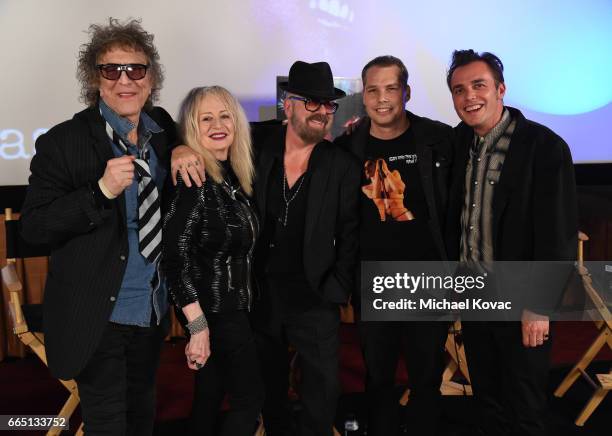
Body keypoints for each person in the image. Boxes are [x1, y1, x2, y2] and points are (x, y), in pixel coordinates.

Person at [20, 18, 177, 434]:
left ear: (151, 77)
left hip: (150, 310)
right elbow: (33, 228)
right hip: (96, 316)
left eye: (136, 69)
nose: (125, 80)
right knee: (108, 424)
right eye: (112, 70)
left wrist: (181, 150)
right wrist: (100, 192)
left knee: (142, 416)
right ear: (96, 78)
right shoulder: (62, 142)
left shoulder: (162, 132)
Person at [446, 49, 578, 436]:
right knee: (488, 401)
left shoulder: (544, 148)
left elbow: (558, 235)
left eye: (478, 85)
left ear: (500, 89)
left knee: (525, 405)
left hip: (522, 303)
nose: (469, 96)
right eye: (458, 89)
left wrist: (539, 305)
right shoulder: (457, 145)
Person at [334, 55, 454, 436]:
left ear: (406, 92)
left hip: (429, 280)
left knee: (426, 380)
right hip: (374, 282)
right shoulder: (347, 147)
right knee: (379, 380)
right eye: (373, 89)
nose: (382, 98)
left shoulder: (440, 139)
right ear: (364, 96)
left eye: (390, 88)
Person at [252, 61, 360, 436]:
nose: (321, 112)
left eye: (328, 105)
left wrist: (336, 287)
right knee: (269, 384)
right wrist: (184, 147)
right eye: (311, 103)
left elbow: (351, 234)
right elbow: (205, 131)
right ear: (288, 104)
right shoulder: (257, 147)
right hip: (262, 292)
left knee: (322, 388)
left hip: (314, 294)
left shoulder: (341, 164)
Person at [162, 86, 264, 435]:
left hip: (232, 310)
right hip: (217, 313)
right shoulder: (194, 181)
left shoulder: (231, 175)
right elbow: (174, 260)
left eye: (224, 115)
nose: (217, 124)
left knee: (209, 396)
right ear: (192, 128)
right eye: (205, 118)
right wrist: (197, 326)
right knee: (249, 400)